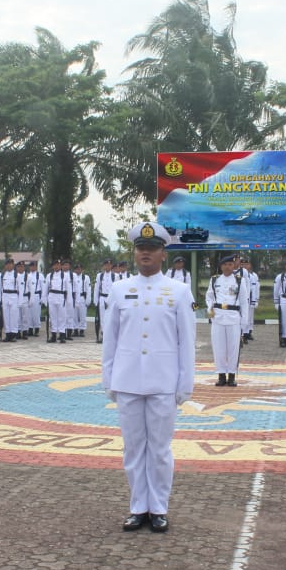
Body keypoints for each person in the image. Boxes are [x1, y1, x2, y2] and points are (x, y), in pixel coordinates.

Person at [102, 222, 195, 533]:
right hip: (127, 380)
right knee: (132, 448)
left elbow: (186, 341)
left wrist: (185, 383)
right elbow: (110, 339)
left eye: (152, 248)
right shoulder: (119, 289)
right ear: (134, 252)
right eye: (141, 248)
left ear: (162, 254)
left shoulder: (179, 292)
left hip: (163, 382)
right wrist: (108, 378)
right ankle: (138, 506)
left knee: (159, 448)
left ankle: (158, 507)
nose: (146, 253)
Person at [207, 254, 249, 384]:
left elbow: (244, 302)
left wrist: (244, 322)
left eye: (230, 264)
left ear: (234, 266)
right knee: (218, 348)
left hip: (233, 317)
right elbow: (209, 297)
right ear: (221, 266)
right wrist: (210, 309)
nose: (227, 267)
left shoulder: (239, 281)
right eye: (225, 264)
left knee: (233, 347)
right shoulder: (214, 280)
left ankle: (231, 375)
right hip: (218, 317)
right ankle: (221, 375)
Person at [239, 256, 259, 344]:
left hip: (249, 298)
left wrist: (255, 300)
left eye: (246, 264)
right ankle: (242, 334)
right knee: (241, 316)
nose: (244, 266)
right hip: (239, 298)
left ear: (249, 265)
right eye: (242, 264)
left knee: (248, 317)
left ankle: (247, 333)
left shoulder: (253, 276)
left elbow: (255, 289)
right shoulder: (238, 274)